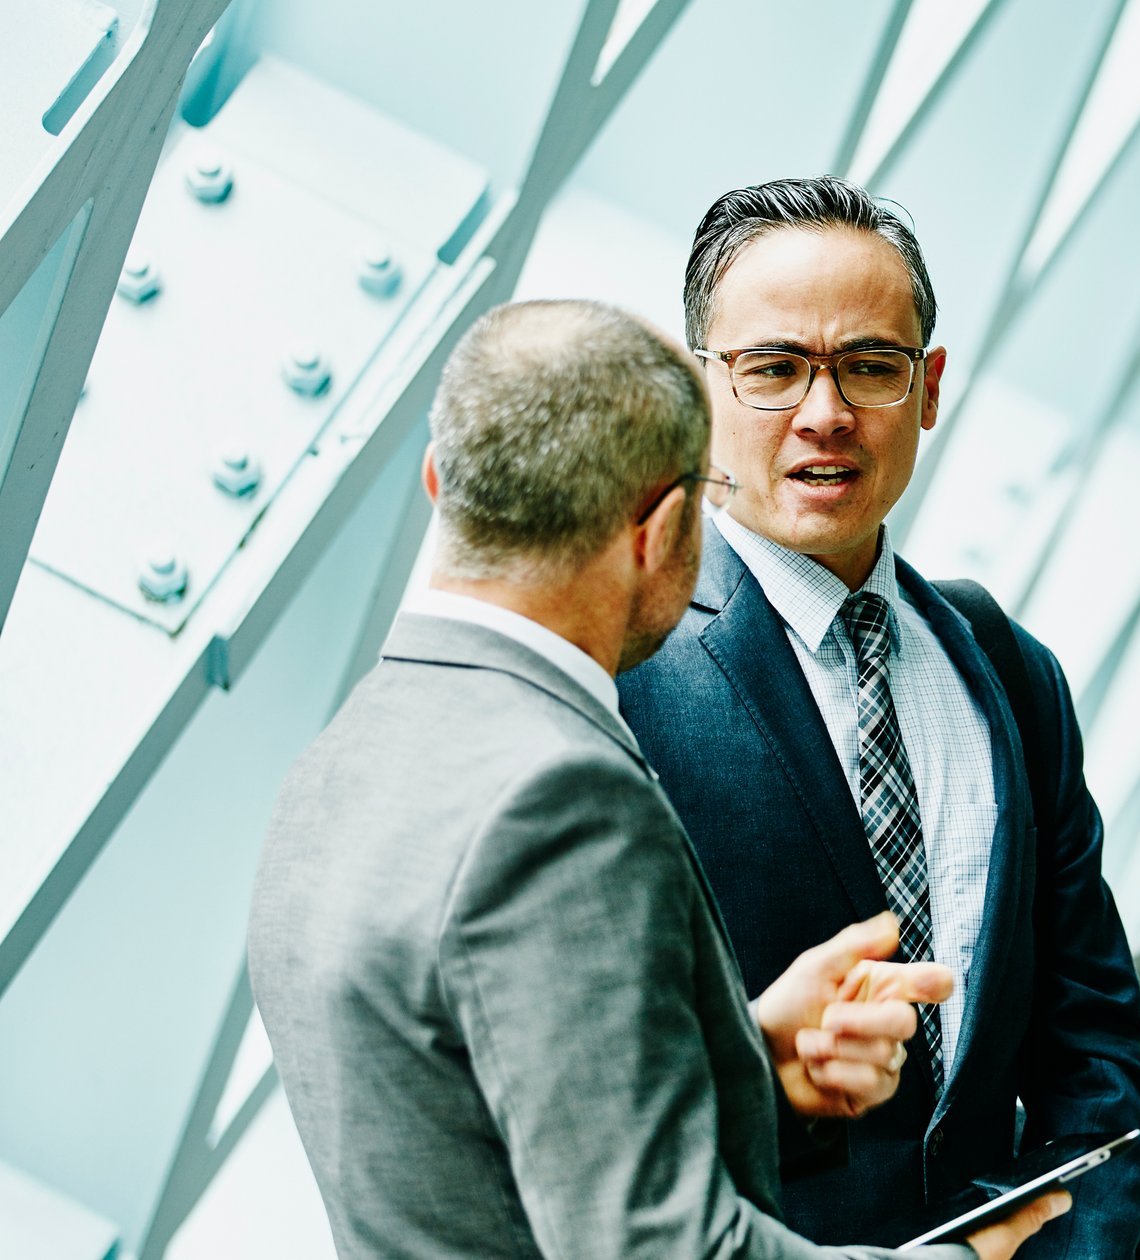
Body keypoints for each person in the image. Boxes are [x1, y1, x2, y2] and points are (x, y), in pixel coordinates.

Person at [246, 299, 1065, 1259]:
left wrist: (748, 1059)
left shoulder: (346, 753)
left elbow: (492, 1110)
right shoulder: (560, 797)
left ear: (440, 485)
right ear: (664, 528)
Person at [617, 177, 1140, 1256]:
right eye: (773, 369)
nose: (823, 414)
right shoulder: (622, 670)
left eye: (867, 367)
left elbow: (1095, 1055)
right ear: (697, 390)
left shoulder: (1006, 672)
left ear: (925, 389)